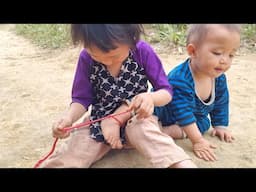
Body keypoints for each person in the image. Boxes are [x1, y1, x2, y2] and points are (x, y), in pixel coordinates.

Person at [39, 24, 196, 168]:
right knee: (76, 150)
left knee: (147, 133)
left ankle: (182, 164)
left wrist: (150, 98)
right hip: (99, 121)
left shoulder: (142, 52)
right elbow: (81, 99)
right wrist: (69, 119)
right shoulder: (86, 59)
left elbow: (166, 92)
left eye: (113, 55)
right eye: (96, 55)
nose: (106, 61)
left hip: (136, 116)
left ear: (131, 39)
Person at [154, 24, 241, 161]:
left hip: (193, 116)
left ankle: (170, 131)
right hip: (165, 113)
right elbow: (182, 111)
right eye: (217, 53)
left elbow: (221, 101)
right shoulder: (180, 78)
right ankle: (159, 130)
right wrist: (198, 141)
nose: (224, 61)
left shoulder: (218, 78)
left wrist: (220, 125)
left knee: (204, 124)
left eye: (231, 55)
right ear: (193, 51)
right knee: (151, 114)